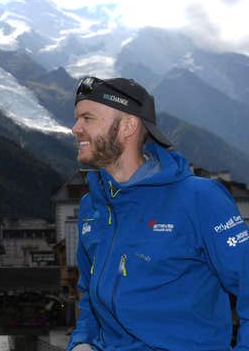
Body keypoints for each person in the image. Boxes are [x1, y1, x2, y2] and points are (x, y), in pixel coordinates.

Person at [67, 76, 248, 351]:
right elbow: (90, 294)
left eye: (88, 118)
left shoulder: (200, 199)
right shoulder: (92, 207)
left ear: (128, 125)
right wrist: (82, 341)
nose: (75, 128)